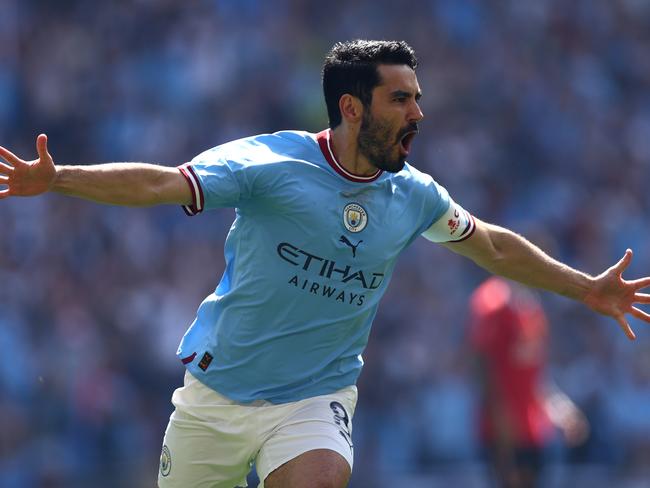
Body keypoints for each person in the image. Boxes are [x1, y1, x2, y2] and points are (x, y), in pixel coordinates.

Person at [0, 39, 648, 488]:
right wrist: (61, 180)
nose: (418, 114)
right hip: (217, 395)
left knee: (320, 475)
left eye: (418, 98)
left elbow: (493, 247)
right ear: (351, 108)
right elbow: (160, 184)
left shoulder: (415, 195)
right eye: (401, 100)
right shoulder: (270, 165)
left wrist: (585, 287)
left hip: (315, 396)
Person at [468, 277, 589, 488]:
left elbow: (536, 377)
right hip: (503, 437)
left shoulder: (533, 307)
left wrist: (561, 409)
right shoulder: (491, 301)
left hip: (533, 433)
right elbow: (481, 366)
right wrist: (501, 434)